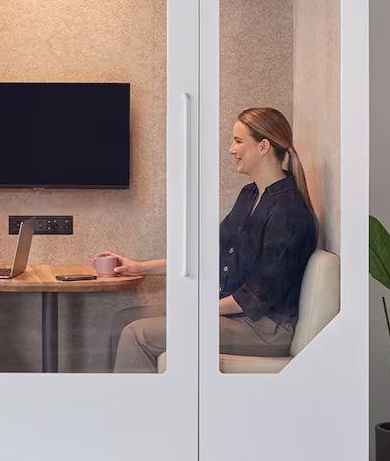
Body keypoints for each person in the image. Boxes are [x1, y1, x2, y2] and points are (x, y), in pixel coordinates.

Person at [99, 106, 319, 373]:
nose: (230, 149)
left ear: (263, 147)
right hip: (235, 315)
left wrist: (199, 308)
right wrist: (140, 267)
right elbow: (212, 256)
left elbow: (256, 297)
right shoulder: (250, 194)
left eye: (238, 141)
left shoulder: (288, 211)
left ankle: (136, 414)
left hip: (264, 328)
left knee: (138, 334)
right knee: (124, 318)